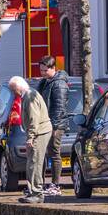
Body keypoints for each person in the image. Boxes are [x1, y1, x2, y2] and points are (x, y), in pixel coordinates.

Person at [8, 76, 52, 203]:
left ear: (18, 87)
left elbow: (34, 119)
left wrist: (31, 137)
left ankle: (37, 193)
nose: (13, 93)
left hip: (39, 132)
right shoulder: (29, 94)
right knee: (32, 161)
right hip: (39, 131)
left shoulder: (29, 96)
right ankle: (33, 191)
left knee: (34, 162)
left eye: (13, 90)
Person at [37, 56, 70, 197]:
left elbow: (59, 108)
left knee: (54, 153)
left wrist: (53, 127)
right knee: (42, 153)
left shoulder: (59, 84)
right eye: (41, 70)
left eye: (45, 70)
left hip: (55, 125)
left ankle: (55, 185)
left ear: (53, 68)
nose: (42, 73)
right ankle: (40, 185)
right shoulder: (46, 82)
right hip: (45, 123)